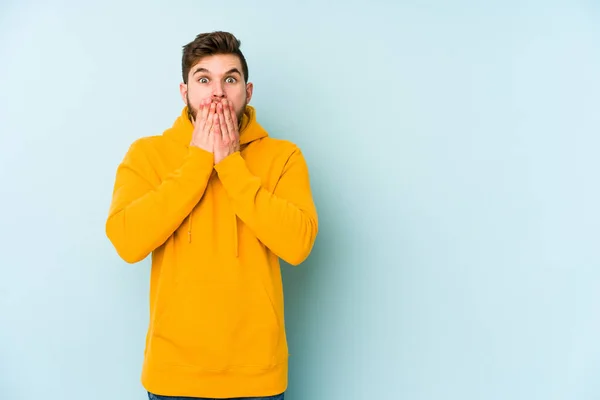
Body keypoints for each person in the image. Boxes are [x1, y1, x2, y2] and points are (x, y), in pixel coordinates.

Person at [105, 31, 318, 400]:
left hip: (258, 378)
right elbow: (127, 241)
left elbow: (298, 245)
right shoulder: (146, 155)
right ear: (185, 92)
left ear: (247, 92)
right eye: (203, 79)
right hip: (173, 377)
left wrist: (231, 164)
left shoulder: (284, 157)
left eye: (229, 79)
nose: (217, 92)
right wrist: (198, 162)